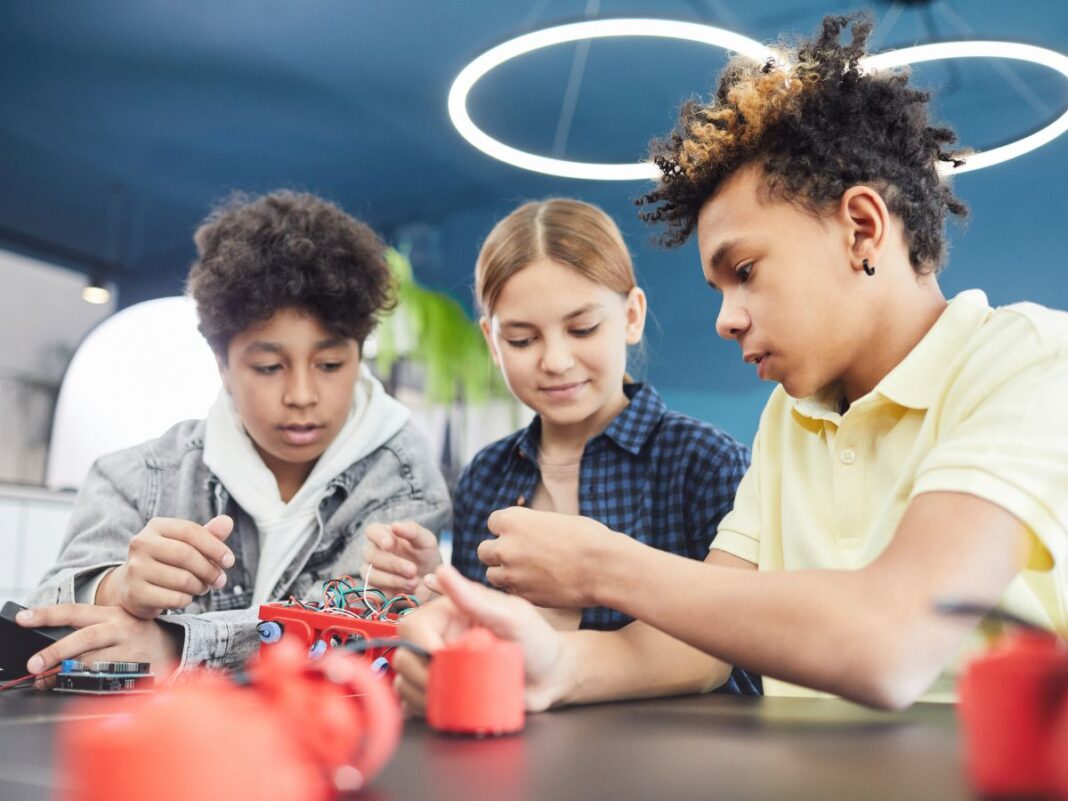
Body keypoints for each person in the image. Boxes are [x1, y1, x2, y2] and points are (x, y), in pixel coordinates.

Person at [391, 15, 1068, 711]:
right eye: (719, 289)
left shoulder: (1033, 361)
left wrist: (600, 565)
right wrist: (548, 665)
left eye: (744, 270)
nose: (725, 318)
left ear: (862, 228)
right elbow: (695, 646)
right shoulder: (791, 419)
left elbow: (890, 638)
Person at [18, 191, 451, 677]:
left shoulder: (402, 483)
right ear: (222, 364)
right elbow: (41, 624)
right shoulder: (135, 478)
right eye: (269, 366)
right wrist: (115, 587)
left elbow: (335, 643)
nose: (303, 394)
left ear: (358, 354)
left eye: (330, 364)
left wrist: (173, 645)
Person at [362, 198, 758, 694]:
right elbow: (483, 642)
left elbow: (734, 646)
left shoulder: (706, 462)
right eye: (523, 340)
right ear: (491, 341)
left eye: (582, 329)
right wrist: (434, 584)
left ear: (632, 315)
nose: (555, 360)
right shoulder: (487, 474)